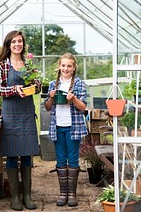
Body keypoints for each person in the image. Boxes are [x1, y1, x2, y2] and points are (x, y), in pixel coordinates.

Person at [0, 30, 41, 211]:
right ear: (8, 44)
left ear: (23, 44)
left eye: (19, 41)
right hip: (11, 115)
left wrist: (34, 86)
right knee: (12, 154)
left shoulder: (28, 64)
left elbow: (38, 86)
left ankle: (27, 196)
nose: (17, 44)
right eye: (13, 42)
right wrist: (14, 89)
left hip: (27, 114)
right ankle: (15, 198)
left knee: (27, 154)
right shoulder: (2, 66)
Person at [44, 53, 88, 207]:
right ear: (59, 66)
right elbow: (48, 107)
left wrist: (73, 99)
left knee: (73, 159)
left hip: (73, 128)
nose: (65, 68)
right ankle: (63, 194)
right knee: (61, 160)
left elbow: (83, 108)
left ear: (74, 67)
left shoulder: (79, 84)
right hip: (58, 127)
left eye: (69, 66)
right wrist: (50, 97)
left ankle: (72, 195)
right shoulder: (53, 84)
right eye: (63, 65)